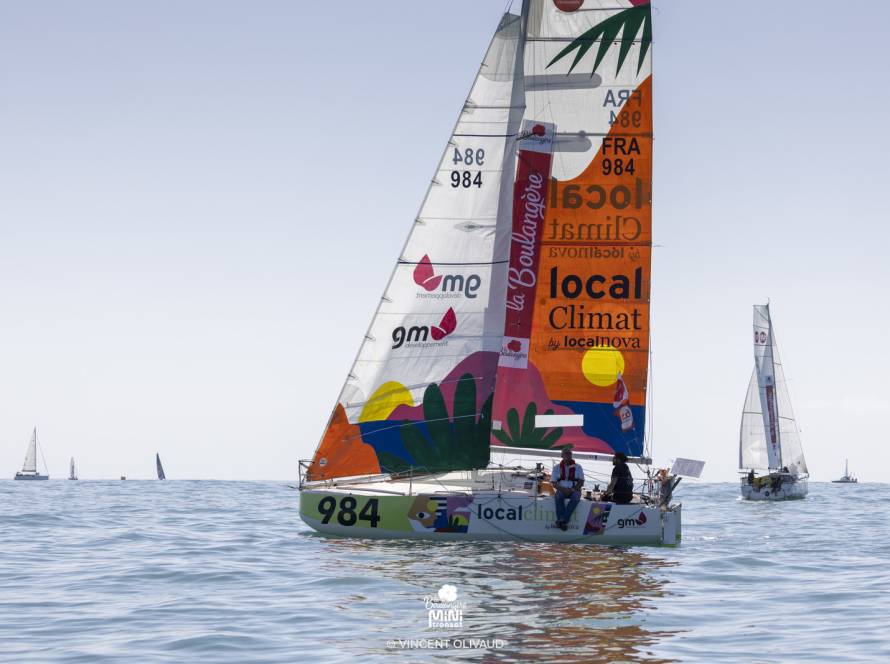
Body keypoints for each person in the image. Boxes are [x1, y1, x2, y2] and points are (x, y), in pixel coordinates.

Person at [551, 447, 584, 531]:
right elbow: (554, 483)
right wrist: (563, 489)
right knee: (558, 497)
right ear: (562, 455)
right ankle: (563, 521)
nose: (568, 456)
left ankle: (562, 520)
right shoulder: (556, 468)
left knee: (576, 497)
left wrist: (573, 489)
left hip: (574, 490)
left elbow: (581, 482)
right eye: (566, 454)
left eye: (569, 454)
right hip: (561, 489)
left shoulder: (578, 467)